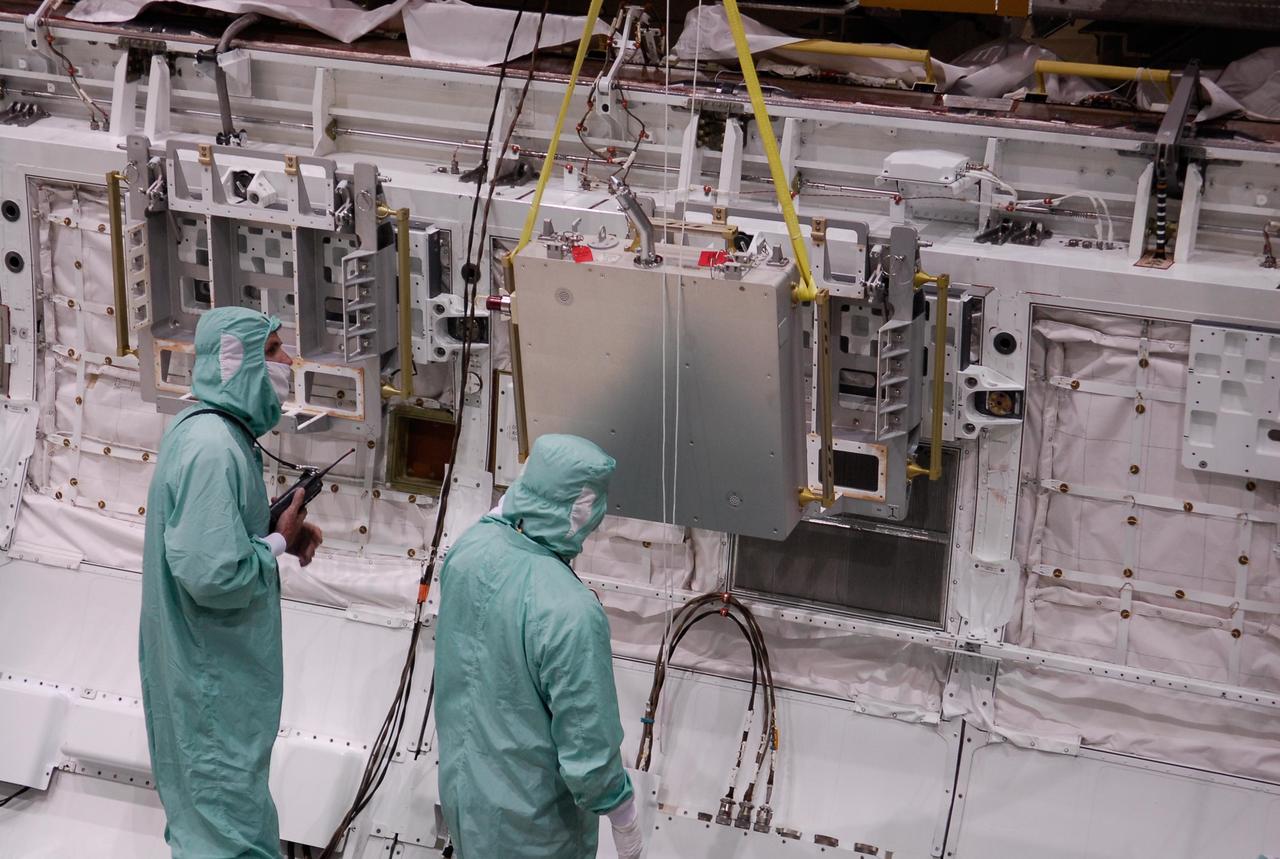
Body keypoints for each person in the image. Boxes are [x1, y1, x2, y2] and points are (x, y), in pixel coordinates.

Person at [139, 306, 322, 858]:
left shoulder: (209, 435)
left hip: (209, 679)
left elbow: (209, 540)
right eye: (274, 352)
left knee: (219, 825)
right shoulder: (213, 448)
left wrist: (270, 528)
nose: (287, 363)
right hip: (211, 684)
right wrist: (275, 543)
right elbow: (213, 575)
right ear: (236, 362)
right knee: (225, 837)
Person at [434, 434, 645, 859]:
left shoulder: (469, 551)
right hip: (531, 832)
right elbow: (588, 747)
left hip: (466, 805)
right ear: (584, 511)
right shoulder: (570, 609)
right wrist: (624, 818)